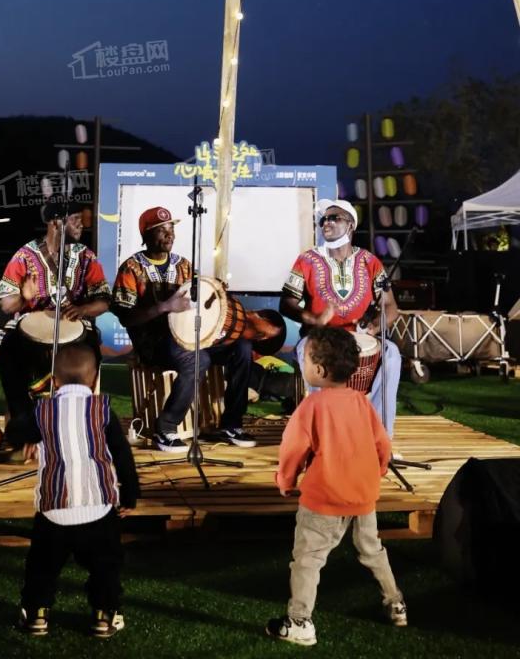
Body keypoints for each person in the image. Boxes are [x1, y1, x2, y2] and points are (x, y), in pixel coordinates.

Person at [267, 326, 407, 646]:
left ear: (318, 369)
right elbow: (381, 443)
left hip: (324, 499)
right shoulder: (361, 403)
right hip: (364, 495)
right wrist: (379, 471)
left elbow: (292, 452)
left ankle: (300, 622)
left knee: (307, 560)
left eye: (304, 359)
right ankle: (395, 602)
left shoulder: (310, 407)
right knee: (372, 551)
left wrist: (285, 482)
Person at [15, 344, 139, 639]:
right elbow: (122, 456)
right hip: (99, 507)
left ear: (54, 381)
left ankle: (36, 615)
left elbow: (16, 433)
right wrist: (130, 495)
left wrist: (33, 436)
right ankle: (104, 615)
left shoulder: (41, 410)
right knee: (105, 566)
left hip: (53, 509)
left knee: (41, 568)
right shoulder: (104, 409)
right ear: (94, 378)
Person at [112, 206, 256, 452]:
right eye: (161, 230)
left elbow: (200, 300)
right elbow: (127, 317)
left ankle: (231, 423)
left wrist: (215, 292)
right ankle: (165, 429)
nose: (169, 235)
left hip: (190, 337)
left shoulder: (184, 266)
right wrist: (165, 307)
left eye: (171, 229)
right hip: (153, 343)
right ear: (146, 236)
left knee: (241, 348)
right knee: (197, 360)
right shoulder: (131, 268)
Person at [279, 198, 402, 436]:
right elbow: (286, 303)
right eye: (324, 219)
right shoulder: (306, 260)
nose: (327, 222)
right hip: (319, 337)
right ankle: (321, 435)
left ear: (350, 226)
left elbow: (390, 307)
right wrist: (313, 319)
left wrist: (375, 328)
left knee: (392, 354)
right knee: (309, 353)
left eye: (335, 218)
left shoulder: (370, 262)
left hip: (359, 338)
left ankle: (379, 435)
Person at [0, 199, 111, 425]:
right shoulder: (24, 256)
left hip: (75, 329)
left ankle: (79, 421)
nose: (81, 225)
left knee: (91, 345)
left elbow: (104, 300)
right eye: (75, 219)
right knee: (8, 349)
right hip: (30, 330)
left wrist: (83, 309)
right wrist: (23, 298)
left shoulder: (86, 257)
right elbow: (6, 304)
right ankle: (22, 422)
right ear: (56, 223)